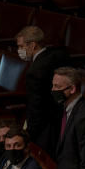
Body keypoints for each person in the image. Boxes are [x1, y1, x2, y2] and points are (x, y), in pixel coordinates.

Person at [15, 26, 71, 154]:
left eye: (21, 46)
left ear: (32, 45)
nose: (19, 50)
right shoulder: (58, 55)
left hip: (46, 129)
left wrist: (28, 135)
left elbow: (36, 109)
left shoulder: (34, 72)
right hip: (63, 120)